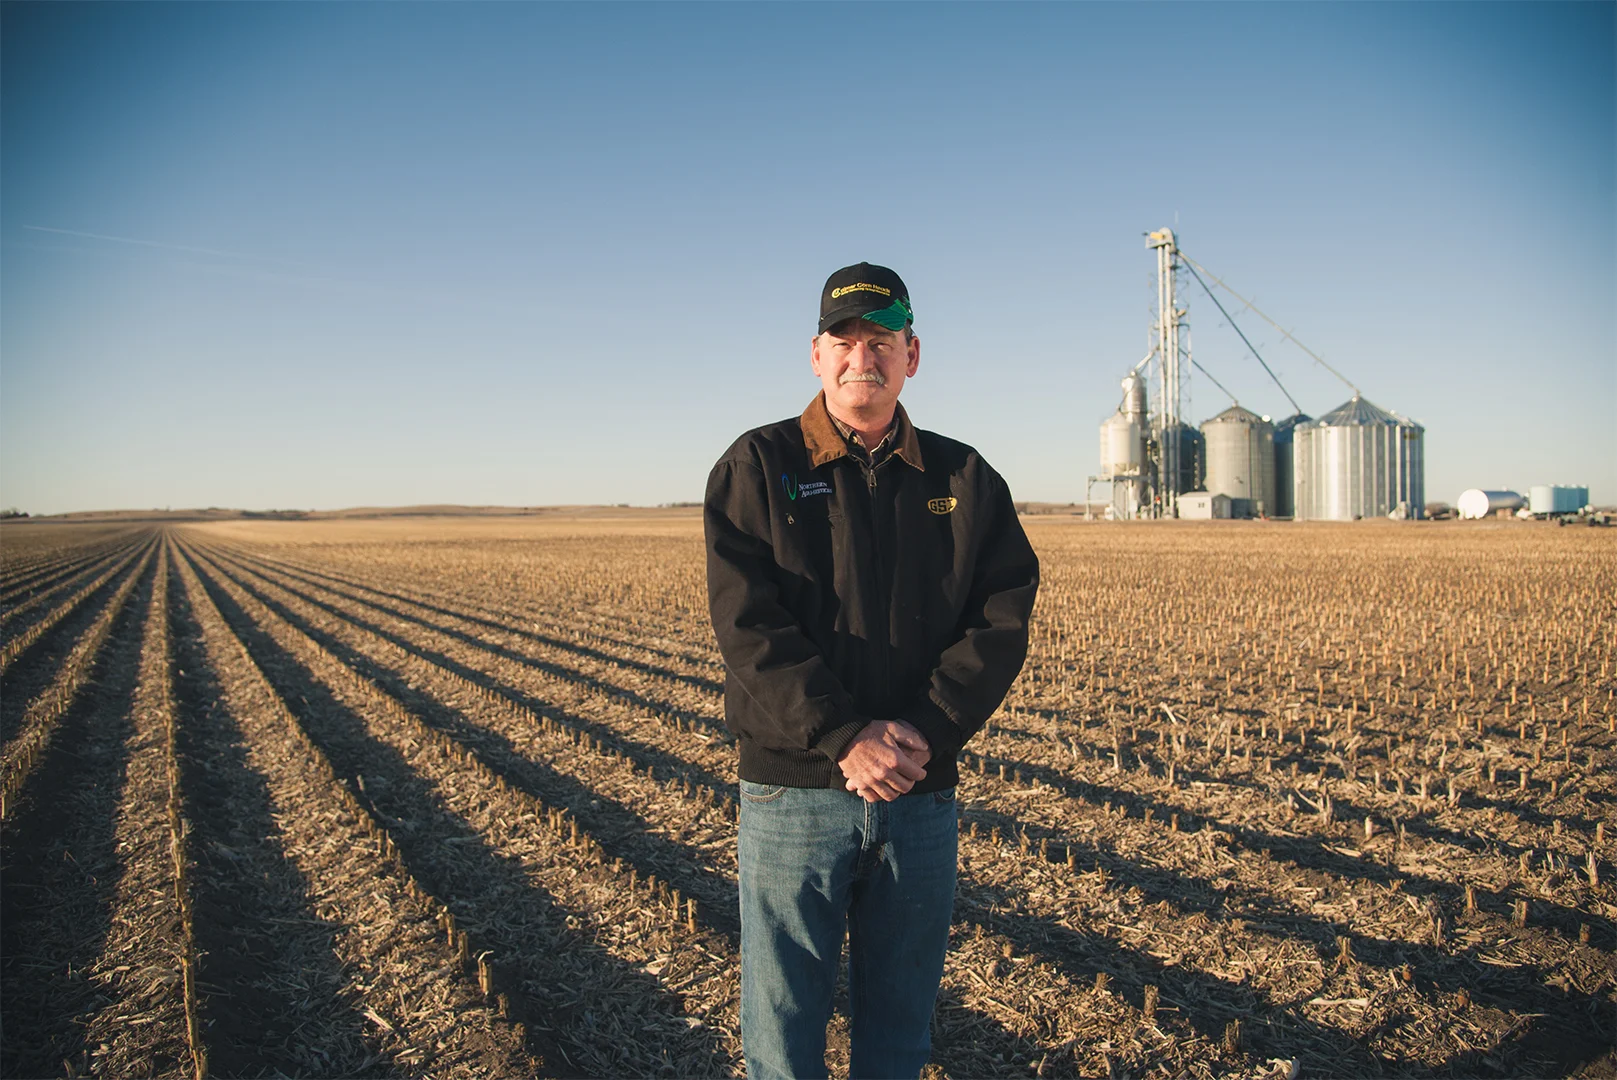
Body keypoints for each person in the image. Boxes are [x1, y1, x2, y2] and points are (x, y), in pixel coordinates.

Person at [703, 262, 1040, 1079]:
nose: (864, 357)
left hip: (918, 794)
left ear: (911, 355)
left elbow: (1000, 616)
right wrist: (844, 737)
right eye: (845, 340)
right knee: (782, 1030)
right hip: (794, 792)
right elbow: (748, 625)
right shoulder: (759, 465)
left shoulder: (962, 478)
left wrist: (924, 731)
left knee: (899, 1027)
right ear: (815, 355)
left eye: (881, 340)